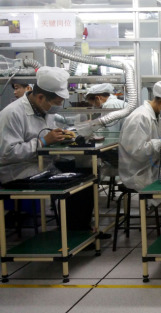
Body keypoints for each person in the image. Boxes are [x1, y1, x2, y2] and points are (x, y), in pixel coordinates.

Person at [0, 66, 94, 231]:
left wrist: (61, 136)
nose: (58, 107)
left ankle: (80, 228)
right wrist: (43, 142)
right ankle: (71, 232)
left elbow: (48, 134)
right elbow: (7, 153)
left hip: (44, 164)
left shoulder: (44, 110)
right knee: (74, 183)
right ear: (41, 97)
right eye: (56, 103)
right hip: (18, 172)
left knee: (87, 173)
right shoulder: (12, 114)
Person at [118, 81, 161, 192]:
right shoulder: (140, 117)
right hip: (138, 172)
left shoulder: (157, 117)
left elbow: (155, 138)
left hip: (151, 166)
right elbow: (137, 150)